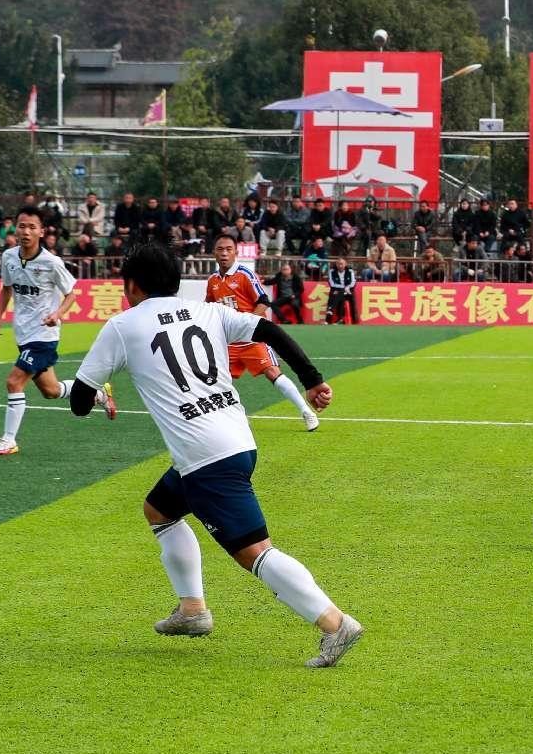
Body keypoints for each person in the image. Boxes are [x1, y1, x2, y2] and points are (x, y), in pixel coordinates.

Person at [69, 243, 362, 667]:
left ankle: (335, 624)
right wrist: (312, 379)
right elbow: (269, 330)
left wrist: (96, 394)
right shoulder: (206, 311)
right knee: (159, 510)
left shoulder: (122, 326)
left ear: (130, 286)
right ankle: (192, 610)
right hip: (236, 442)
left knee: (254, 552)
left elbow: (79, 402)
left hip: (206, 460)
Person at [0, 206, 117, 455]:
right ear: (15, 229)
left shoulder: (51, 262)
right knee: (51, 391)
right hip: (23, 334)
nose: (26, 231)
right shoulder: (9, 257)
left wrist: (57, 314)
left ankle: (9, 440)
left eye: (32, 227)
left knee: (14, 382)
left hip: (44, 336)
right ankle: (98, 394)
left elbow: (71, 294)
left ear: (41, 232)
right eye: (22, 226)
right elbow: (6, 288)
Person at [207, 234, 319, 432]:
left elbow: (263, 302)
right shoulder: (212, 280)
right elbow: (209, 307)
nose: (224, 253)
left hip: (252, 339)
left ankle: (306, 411)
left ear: (236, 252)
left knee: (272, 372)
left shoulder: (245, 274)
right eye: (220, 249)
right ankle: (238, 416)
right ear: (214, 253)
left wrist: (247, 324)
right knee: (216, 381)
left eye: (228, 249)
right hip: (228, 343)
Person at [326, 256, 358, 324]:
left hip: (348, 292)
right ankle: (340, 319)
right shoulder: (332, 271)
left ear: (345, 264)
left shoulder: (350, 271)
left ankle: (331, 310)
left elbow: (353, 282)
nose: (340, 266)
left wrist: (347, 287)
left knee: (340, 294)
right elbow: (332, 283)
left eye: (342, 264)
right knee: (340, 294)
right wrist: (343, 288)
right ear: (336, 264)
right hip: (337, 291)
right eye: (338, 264)